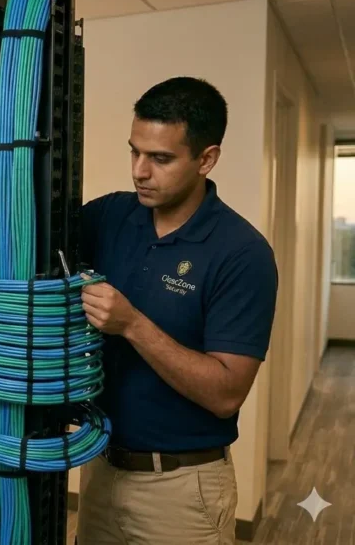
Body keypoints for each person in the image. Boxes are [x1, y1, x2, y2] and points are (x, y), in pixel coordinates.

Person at [74, 76, 278, 544]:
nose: (139, 171)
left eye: (160, 158)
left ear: (206, 158)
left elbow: (227, 393)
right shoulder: (110, 217)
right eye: (134, 152)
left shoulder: (241, 253)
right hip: (100, 469)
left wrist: (131, 324)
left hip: (182, 490)